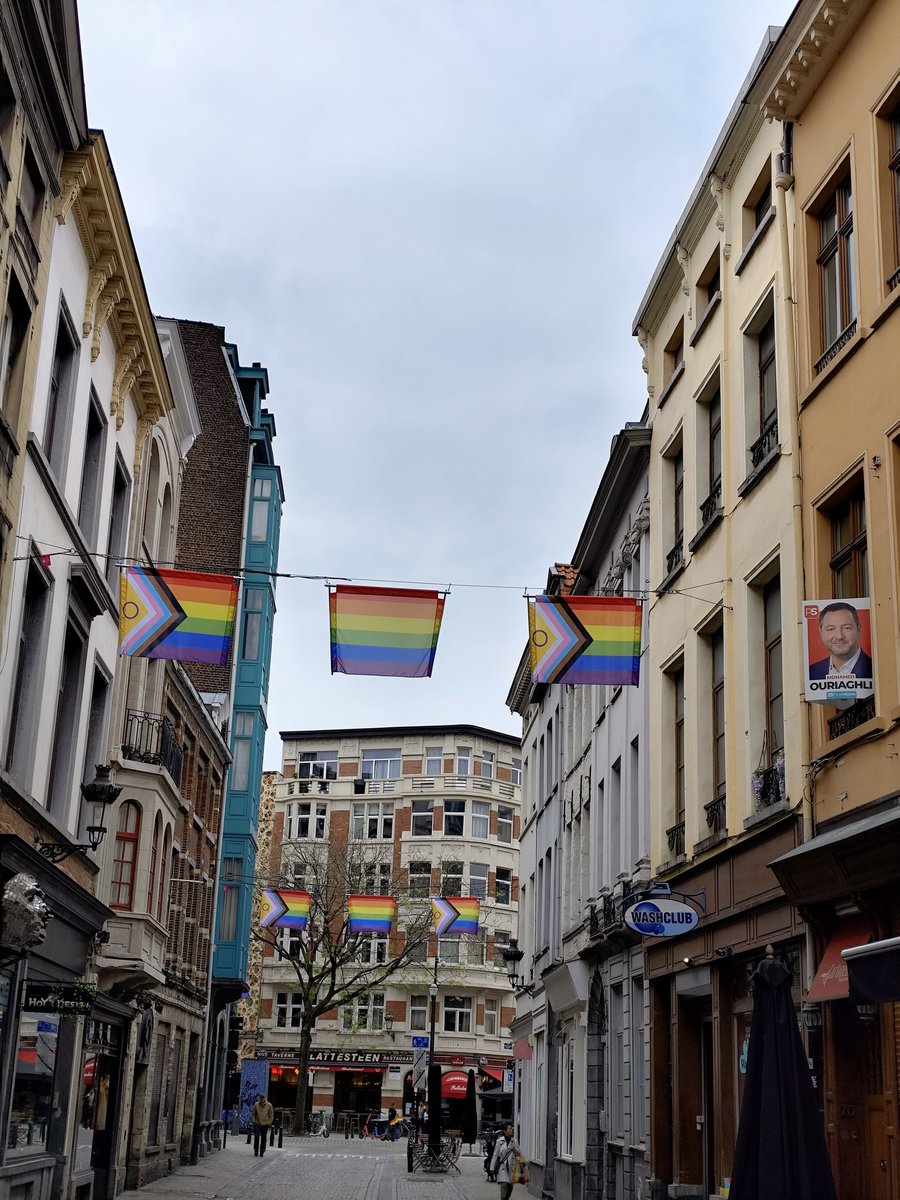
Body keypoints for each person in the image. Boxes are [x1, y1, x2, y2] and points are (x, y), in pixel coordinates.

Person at [809, 602, 873, 679]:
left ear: (859, 628)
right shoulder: (811, 672)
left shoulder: (876, 669)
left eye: (846, 628)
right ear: (821, 632)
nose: (839, 636)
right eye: (831, 629)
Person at [490, 1123, 520, 1200]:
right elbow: (495, 1155)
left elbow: (519, 1154)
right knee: (503, 1190)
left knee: (509, 1190)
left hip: (511, 1168)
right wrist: (492, 1167)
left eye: (511, 1129)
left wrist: (515, 1150)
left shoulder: (514, 1141)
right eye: (509, 1129)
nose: (511, 1130)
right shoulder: (499, 1141)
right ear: (505, 1131)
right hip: (503, 1167)